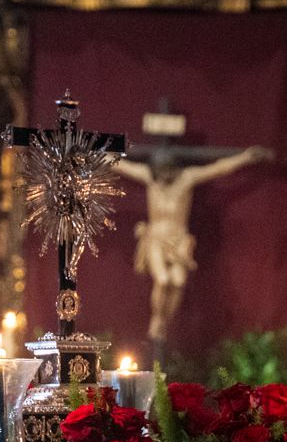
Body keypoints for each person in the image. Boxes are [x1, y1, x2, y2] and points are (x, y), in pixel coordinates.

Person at [113, 144, 269, 357]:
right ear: (156, 170)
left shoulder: (186, 179)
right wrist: (93, 155)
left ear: (174, 169)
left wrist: (245, 157)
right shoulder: (150, 179)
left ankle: (164, 324)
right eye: (161, 171)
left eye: (168, 171)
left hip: (179, 241)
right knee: (163, 280)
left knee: (178, 281)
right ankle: (157, 319)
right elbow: (122, 166)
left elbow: (218, 168)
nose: (165, 176)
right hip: (156, 239)